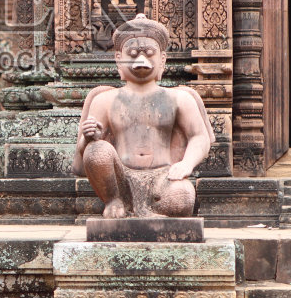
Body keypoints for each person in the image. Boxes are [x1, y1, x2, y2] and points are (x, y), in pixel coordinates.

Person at [74, 15, 212, 218]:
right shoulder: (104, 99)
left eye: (149, 53)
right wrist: (87, 138)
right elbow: (83, 157)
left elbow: (200, 137)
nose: (141, 60)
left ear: (162, 59)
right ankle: (114, 201)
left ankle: (149, 210)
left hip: (163, 177)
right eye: (132, 53)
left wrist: (186, 164)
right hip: (120, 179)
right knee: (97, 151)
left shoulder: (179, 97)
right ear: (119, 59)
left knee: (183, 197)